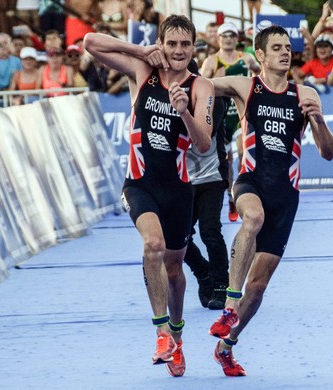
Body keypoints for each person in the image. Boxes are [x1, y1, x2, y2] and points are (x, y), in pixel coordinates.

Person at [83, 14, 213, 377]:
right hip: (139, 185)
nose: (178, 51)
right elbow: (90, 42)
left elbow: (202, 145)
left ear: (193, 47)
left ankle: (177, 334)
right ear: (161, 44)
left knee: (174, 270)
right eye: (171, 43)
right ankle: (160, 333)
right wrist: (140, 49)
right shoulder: (142, 71)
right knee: (152, 246)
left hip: (178, 192)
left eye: (185, 44)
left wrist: (185, 111)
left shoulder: (200, 86)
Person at [207, 25, 333, 377]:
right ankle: (230, 304)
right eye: (276, 47)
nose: (284, 52)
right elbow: (199, 85)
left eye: (287, 47)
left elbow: (328, 153)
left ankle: (226, 346)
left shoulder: (305, 93)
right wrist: (158, 62)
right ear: (260, 55)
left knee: (260, 286)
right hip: (250, 181)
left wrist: (318, 120)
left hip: (286, 194)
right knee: (252, 218)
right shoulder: (245, 87)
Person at [200, 22, 260, 223]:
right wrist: (212, 81)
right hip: (221, 117)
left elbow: (262, 75)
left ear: (237, 39)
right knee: (226, 162)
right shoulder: (211, 61)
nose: (228, 39)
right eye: (224, 35)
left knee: (243, 151)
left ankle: (246, 190)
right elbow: (198, 87)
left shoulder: (247, 58)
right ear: (218, 38)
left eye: (232, 35)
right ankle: (232, 196)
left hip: (240, 115)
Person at [183, 60, 230, 311]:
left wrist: (180, 110)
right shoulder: (164, 97)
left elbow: (202, 135)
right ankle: (203, 273)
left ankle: (222, 284)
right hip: (182, 179)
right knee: (176, 237)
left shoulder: (212, 98)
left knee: (210, 231)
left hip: (211, 176)